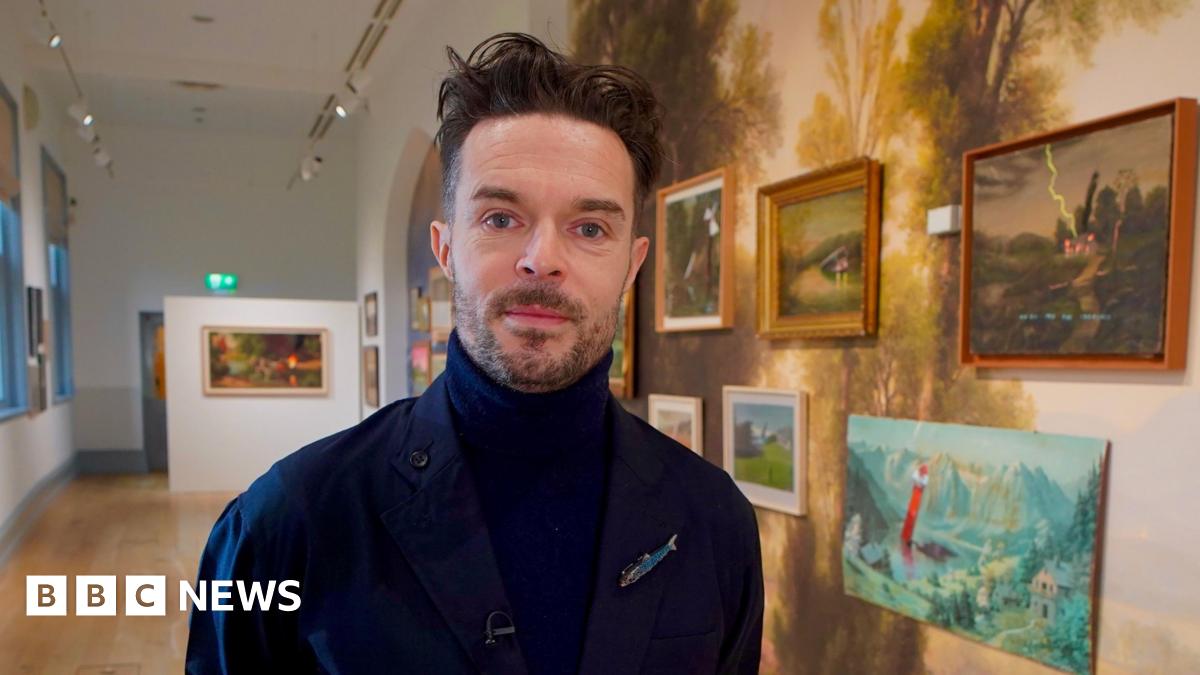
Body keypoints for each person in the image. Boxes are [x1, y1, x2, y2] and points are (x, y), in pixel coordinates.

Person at [184, 32, 763, 675]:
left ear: (632, 264)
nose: (541, 259)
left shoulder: (711, 520)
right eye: (499, 218)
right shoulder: (293, 519)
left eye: (590, 228)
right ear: (445, 247)